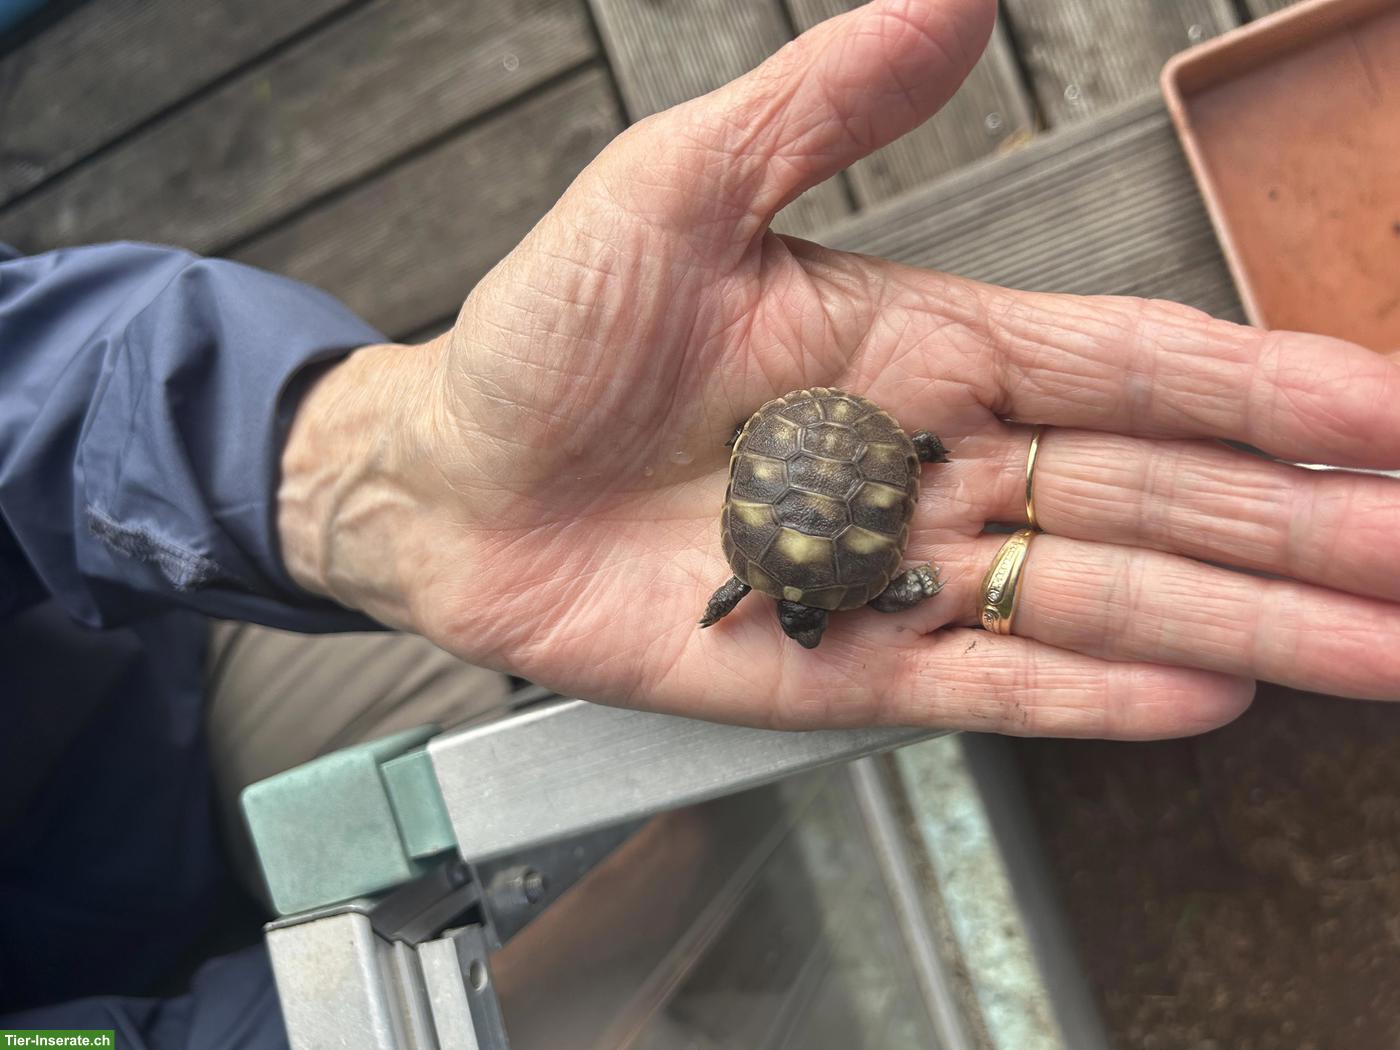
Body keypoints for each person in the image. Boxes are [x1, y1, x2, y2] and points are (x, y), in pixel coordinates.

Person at [3, 0, 1398, 1042]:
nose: (793, 619)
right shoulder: (782, 582)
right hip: (158, 958)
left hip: (134, 655)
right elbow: (867, 558)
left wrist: (363, 471)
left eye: (786, 608)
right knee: (620, 832)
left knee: (565, 764)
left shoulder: (782, 585)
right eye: (789, 609)